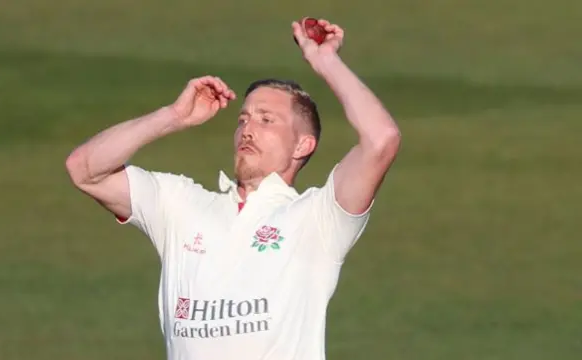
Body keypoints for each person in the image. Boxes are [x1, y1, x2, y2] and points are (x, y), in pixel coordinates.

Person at [66, 18, 401, 360]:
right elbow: (84, 170)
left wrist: (326, 62)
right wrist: (171, 117)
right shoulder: (180, 204)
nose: (248, 129)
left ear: (303, 146)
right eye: (243, 119)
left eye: (266, 120)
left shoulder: (318, 218)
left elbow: (381, 140)